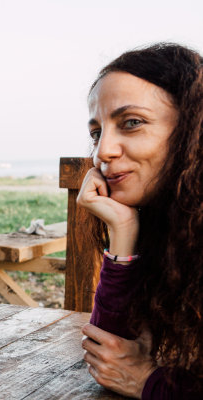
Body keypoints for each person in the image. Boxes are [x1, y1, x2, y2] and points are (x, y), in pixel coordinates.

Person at [77, 43, 203, 399]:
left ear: (193, 130)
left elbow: (127, 373)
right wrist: (123, 230)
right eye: (97, 132)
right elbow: (110, 356)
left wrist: (149, 383)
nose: (103, 152)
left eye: (131, 123)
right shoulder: (173, 227)